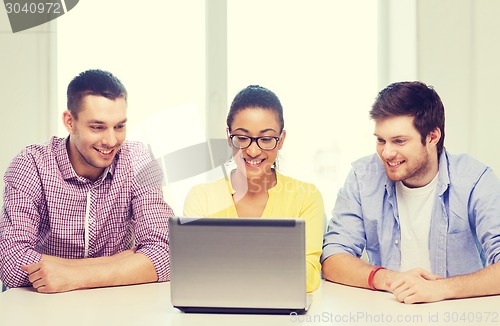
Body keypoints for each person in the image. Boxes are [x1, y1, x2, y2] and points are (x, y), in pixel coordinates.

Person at [321, 81, 500, 304]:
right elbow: (333, 258)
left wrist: (440, 289)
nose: (386, 153)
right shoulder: (362, 177)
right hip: (386, 313)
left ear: (433, 137)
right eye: (380, 140)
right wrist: (390, 280)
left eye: (399, 141)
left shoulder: (475, 180)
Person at [0, 69, 173, 293]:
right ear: (70, 122)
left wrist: (71, 275)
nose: (111, 140)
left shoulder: (139, 160)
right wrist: (125, 262)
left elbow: (167, 253)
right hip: (43, 306)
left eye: (119, 126)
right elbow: (11, 262)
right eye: (97, 127)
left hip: (117, 303)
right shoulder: (31, 164)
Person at [183, 85, 325, 292]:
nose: (252, 150)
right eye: (242, 138)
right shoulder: (201, 198)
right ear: (228, 136)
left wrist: (226, 269)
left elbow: (309, 276)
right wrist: (277, 269)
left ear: (281, 139)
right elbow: (193, 273)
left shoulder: (306, 197)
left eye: (266, 139)